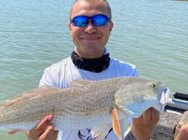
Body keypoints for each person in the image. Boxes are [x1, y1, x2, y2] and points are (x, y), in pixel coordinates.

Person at [21, 0, 160, 139]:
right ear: (70, 27)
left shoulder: (128, 73)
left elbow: (136, 133)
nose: (90, 28)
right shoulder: (53, 74)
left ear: (110, 27)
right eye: (80, 21)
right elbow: (33, 120)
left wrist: (144, 132)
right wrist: (34, 135)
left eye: (99, 20)